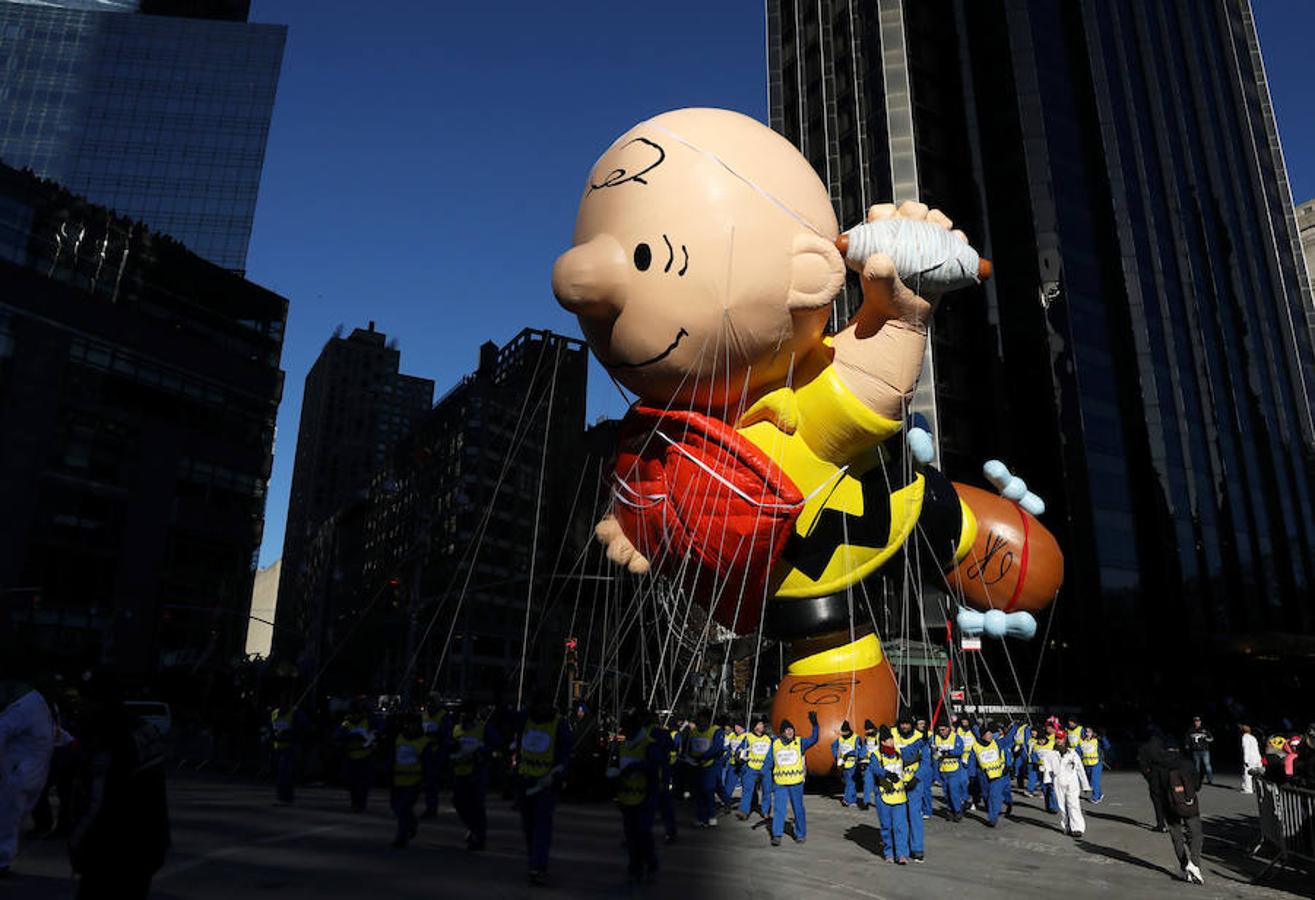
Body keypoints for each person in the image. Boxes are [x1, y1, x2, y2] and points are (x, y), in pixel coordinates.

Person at [66, 673, 169, 899]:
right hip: (148, 845)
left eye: (84, 700)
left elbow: (98, 803)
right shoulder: (143, 729)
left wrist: (76, 843)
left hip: (114, 850)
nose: (78, 707)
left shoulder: (111, 739)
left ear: (101, 703)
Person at [515, 691, 572, 884]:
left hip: (546, 783)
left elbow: (565, 753)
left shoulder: (559, 725)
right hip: (525, 780)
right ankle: (535, 860)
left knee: (541, 826)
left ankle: (537, 866)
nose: (542, 709)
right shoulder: (525, 719)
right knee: (528, 826)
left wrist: (559, 773)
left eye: (546, 705)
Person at [0, 679, 54, 877]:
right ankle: (2, 861)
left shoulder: (34, 707)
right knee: (9, 819)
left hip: (24, 773)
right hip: (21, 774)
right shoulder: (30, 706)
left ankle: (3, 859)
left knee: (11, 818)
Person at [610, 708, 665, 883]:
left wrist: (637, 767)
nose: (624, 732)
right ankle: (636, 865)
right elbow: (615, 767)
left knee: (642, 832)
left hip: (645, 797)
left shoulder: (648, 744)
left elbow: (655, 769)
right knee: (631, 834)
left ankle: (646, 863)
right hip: (627, 798)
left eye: (626, 729)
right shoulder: (623, 746)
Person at [763, 711, 819, 846]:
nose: (790, 732)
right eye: (787, 730)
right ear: (782, 732)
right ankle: (777, 835)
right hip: (780, 784)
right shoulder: (775, 744)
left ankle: (800, 834)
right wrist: (762, 774)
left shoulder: (800, 742)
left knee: (798, 809)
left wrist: (815, 725)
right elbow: (768, 762)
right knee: (779, 809)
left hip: (796, 784)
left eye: (791, 730)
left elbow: (814, 739)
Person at [1154, 741, 1205, 883]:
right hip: (1187, 804)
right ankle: (1194, 864)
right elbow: (1196, 784)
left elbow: (1155, 789)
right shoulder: (1186, 763)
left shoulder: (1159, 765)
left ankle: (1184, 867)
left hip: (1168, 805)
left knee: (1176, 837)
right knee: (1196, 834)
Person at [450, 701, 498, 851]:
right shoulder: (456, 729)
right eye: (462, 714)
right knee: (459, 803)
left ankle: (479, 837)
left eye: (468, 714)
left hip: (477, 773)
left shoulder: (482, 728)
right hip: (460, 772)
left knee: (477, 805)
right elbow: (448, 745)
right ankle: (473, 828)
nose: (465, 717)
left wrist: (482, 752)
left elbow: (496, 743)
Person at [873, 726, 923, 863]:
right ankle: (889, 852)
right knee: (886, 827)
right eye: (889, 740)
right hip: (884, 797)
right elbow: (874, 769)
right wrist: (886, 774)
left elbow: (911, 749)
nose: (892, 742)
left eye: (892, 739)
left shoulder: (899, 752)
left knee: (901, 826)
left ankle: (902, 854)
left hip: (900, 797)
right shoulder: (876, 755)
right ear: (883, 742)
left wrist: (922, 740)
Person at [1037, 731, 1090, 838]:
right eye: (1057, 738)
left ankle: (1077, 828)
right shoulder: (1051, 754)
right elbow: (1047, 769)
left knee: (1073, 804)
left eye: (1060, 738)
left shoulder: (1073, 754)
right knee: (1062, 805)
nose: (1058, 740)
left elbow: (1080, 770)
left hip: (1072, 782)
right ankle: (1066, 825)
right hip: (1058, 781)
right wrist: (1048, 781)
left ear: (1064, 739)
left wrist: (1085, 785)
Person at [388, 713, 427, 848]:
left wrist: (426, 781)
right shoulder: (399, 738)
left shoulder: (423, 742)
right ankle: (412, 823)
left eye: (413, 724)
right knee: (396, 807)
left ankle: (401, 838)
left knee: (404, 807)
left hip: (414, 782)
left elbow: (428, 765)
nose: (410, 727)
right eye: (408, 724)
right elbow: (392, 758)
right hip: (398, 781)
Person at [685, 708, 724, 827]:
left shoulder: (715, 731)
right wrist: (690, 757)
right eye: (699, 719)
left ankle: (711, 816)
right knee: (698, 793)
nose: (701, 722)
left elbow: (717, 748)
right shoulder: (694, 731)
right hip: (696, 765)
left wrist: (704, 757)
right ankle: (700, 817)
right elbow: (689, 746)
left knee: (708, 792)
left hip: (709, 766)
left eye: (703, 719)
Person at [337, 700, 376, 812]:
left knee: (362, 783)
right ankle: (355, 801)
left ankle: (360, 804)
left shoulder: (368, 722)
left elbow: (379, 730)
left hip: (365, 757)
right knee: (350, 782)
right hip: (350, 757)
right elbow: (337, 735)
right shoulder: (346, 724)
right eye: (352, 713)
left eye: (357, 713)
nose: (354, 716)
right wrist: (347, 737)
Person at [971, 722, 1011, 827]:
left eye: (991, 734)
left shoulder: (996, 743)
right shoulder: (975, 746)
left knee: (994, 796)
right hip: (983, 776)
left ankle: (993, 819)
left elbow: (1008, 739)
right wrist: (971, 775)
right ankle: (992, 810)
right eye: (988, 734)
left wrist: (1015, 727)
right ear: (983, 735)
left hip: (997, 775)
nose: (990, 736)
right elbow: (972, 761)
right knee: (986, 796)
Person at [736, 718, 774, 821]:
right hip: (752, 768)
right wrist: (740, 753)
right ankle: (744, 811)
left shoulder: (768, 738)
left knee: (767, 790)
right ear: (755, 726)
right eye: (760, 724)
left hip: (765, 769)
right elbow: (740, 749)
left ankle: (766, 811)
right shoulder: (748, 737)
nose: (762, 726)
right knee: (747, 790)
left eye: (762, 724)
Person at [932, 721, 967, 821]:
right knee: (946, 792)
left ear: (948, 729)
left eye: (943, 729)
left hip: (954, 769)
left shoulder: (955, 737)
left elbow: (959, 750)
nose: (941, 732)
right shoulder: (936, 738)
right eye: (940, 730)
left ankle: (957, 810)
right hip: (943, 770)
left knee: (953, 791)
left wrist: (946, 752)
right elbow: (935, 757)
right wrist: (936, 773)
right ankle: (950, 810)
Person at [420, 698, 449, 818]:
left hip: (437, 752)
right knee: (427, 781)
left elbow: (446, 735)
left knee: (432, 781)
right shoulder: (424, 716)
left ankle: (431, 808)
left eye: (432, 703)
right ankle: (429, 806)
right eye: (429, 703)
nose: (430, 706)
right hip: (425, 751)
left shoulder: (444, 717)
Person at [269, 700, 301, 805]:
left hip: (290, 747)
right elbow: (272, 728)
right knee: (280, 773)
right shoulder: (274, 713)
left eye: (285, 705)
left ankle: (285, 798)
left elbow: (305, 728)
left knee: (284, 772)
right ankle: (285, 798)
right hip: (277, 747)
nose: (283, 708)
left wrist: (290, 731)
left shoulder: (295, 714)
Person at [1137, 735, 1169, 831]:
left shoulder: (1144, 748)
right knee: (1169, 800)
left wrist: (1148, 777)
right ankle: (1173, 823)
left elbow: (1142, 765)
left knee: (1157, 801)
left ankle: (1161, 824)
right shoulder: (1163, 746)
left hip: (1154, 776)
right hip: (1166, 776)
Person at [831, 720, 862, 807]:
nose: (843, 734)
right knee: (850, 782)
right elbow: (833, 746)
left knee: (849, 782)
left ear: (849, 731)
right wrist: (837, 756)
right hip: (843, 764)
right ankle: (853, 800)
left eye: (845, 732)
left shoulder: (856, 738)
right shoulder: (840, 738)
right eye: (842, 732)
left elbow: (858, 750)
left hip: (853, 764)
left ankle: (847, 799)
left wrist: (853, 755)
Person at [1078, 726, 1108, 803]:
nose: (1087, 734)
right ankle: (1099, 794)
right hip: (1086, 764)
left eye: (1089, 732)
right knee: (1090, 781)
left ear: (1092, 733)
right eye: (1086, 732)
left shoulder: (1097, 740)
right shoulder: (1081, 741)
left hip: (1096, 764)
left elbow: (1107, 746)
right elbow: (1078, 751)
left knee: (1095, 781)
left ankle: (1096, 798)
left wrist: (1103, 737)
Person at [721, 722, 748, 810]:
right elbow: (729, 749)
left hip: (744, 764)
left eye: (738, 726)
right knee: (729, 785)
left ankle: (748, 804)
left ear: (742, 727)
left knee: (746, 785)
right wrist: (724, 758)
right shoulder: (733, 736)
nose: (736, 728)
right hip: (733, 764)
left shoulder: (747, 736)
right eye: (735, 726)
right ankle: (726, 803)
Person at [1185, 717, 1214, 786]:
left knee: (1207, 765)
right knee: (1196, 766)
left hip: (1205, 750)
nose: (1197, 722)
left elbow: (1211, 738)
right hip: (1195, 751)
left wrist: (1207, 739)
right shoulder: (1191, 730)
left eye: (1198, 721)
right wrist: (1187, 745)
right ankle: (1196, 779)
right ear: (1194, 722)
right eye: (1196, 721)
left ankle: (1210, 780)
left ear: (1200, 722)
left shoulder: (1205, 730)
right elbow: (1187, 739)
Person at [859, 720, 880, 810]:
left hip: (878, 763)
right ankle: (866, 802)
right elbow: (864, 748)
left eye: (869, 729)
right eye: (866, 730)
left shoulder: (879, 736)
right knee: (867, 783)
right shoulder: (867, 738)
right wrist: (860, 756)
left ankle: (880, 802)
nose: (867, 731)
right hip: (868, 763)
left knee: (879, 785)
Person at [1240, 724, 1262, 794]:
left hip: (1250, 758)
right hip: (1257, 757)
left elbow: (1246, 749)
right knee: (1258, 774)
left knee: (1248, 773)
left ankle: (1248, 789)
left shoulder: (1244, 738)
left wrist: (1245, 760)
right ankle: (1260, 789)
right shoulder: (1253, 737)